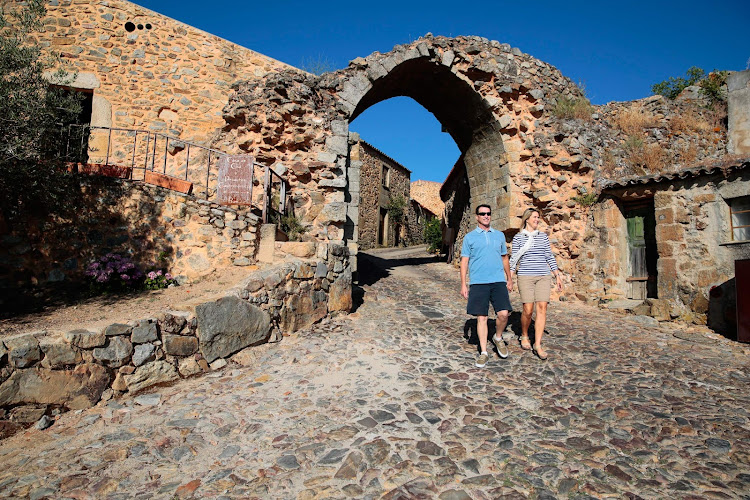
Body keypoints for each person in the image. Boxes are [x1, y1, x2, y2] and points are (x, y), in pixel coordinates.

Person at [460, 204, 512, 368]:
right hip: (478, 282)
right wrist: (463, 284)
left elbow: (504, 258)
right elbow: (464, 261)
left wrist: (509, 278)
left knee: (503, 314)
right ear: (477, 217)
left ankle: (497, 337)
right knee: (481, 318)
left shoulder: (499, 236)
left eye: (488, 213)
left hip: (498, 281)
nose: (486, 216)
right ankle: (483, 352)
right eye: (482, 214)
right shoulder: (470, 237)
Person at [509, 208, 563, 361]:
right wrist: (510, 278)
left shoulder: (543, 237)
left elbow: (549, 256)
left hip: (543, 276)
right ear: (527, 219)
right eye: (534, 217)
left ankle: (538, 344)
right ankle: (524, 335)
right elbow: (514, 260)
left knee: (542, 308)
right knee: (527, 309)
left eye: (538, 217)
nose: (537, 220)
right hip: (525, 276)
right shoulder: (519, 237)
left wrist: (557, 276)